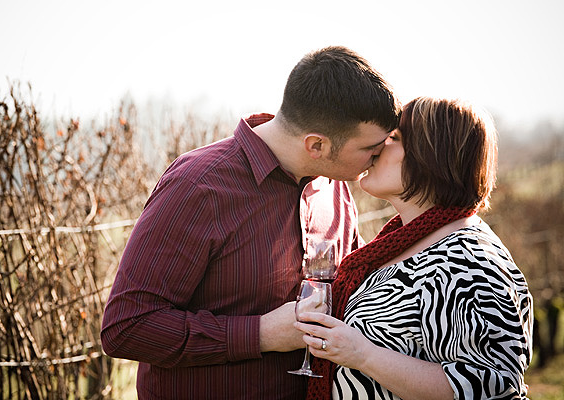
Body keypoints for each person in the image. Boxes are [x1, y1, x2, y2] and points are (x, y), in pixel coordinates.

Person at [100, 46, 401, 399]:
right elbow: (126, 327)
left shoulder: (334, 188)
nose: (378, 157)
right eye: (370, 149)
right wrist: (261, 334)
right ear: (316, 144)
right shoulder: (199, 186)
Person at [296, 97, 533, 399]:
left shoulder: (466, 259)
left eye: (394, 137)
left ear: (430, 156)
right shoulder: (405, 242)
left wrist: (361, 354)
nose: (378, 146)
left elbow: (492, 386)